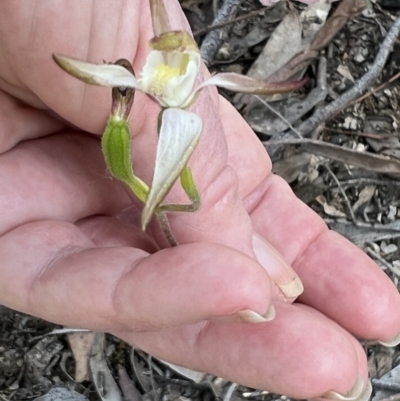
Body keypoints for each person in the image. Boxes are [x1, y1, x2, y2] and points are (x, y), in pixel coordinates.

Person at [0, 1, 399, 399]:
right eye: (164, 51)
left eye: (180, 51)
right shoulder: (152, 89)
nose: (171, 55)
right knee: (157, 191)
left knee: (182, 199)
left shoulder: (188, 105)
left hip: (175, 116)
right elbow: (93, 68)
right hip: (151, 115)